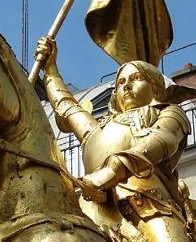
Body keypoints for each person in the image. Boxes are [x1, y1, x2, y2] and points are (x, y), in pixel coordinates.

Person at [35, 36, 196, 241]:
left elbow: (160, 140)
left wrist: (110, 172)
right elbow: (66, 106)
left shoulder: (169, 113)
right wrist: (50, 70)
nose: (126, 86)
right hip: (93, 210)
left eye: (136, 78)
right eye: (121, 82)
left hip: (150, 205)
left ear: (156, 88)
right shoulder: (97, 129)